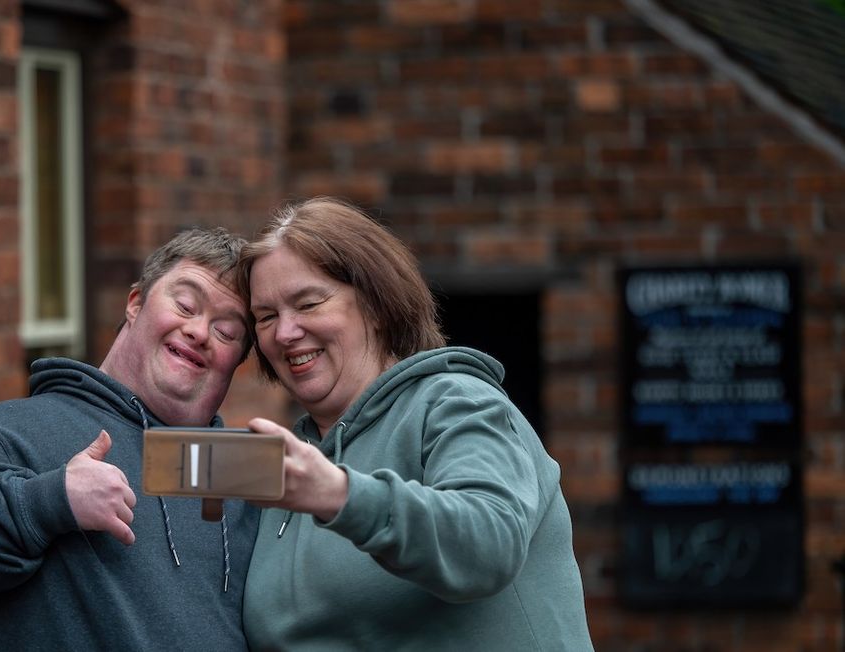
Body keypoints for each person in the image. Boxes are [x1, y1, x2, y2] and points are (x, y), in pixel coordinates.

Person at [237, 197, 595, 651]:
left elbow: (490, 542)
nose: (285, 333)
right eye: (266, 317)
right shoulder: (290, 462)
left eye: (308, 304)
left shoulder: (456, 402)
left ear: (376, 306)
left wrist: (339, 494)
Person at [0, 227, 259, 650]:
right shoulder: (7, 434)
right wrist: (46, 503)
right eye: (186, 304)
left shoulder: (242, 472)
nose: (200, 332)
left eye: (227, 332)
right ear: (135, 303)